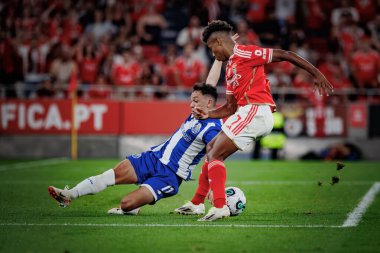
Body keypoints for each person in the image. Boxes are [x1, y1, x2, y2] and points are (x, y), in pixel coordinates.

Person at [175, 20, 333, 221]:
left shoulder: (246, 53)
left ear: (218, 42)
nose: (212, 53)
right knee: (212, 149)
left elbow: (286, 55)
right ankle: (197, 203)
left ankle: (220, 206)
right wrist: (208, 114)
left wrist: (317, 74)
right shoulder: (230, 67)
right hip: (246, 111)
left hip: (256, 110)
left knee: (215, 153)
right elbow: (230, 107)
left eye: (211, 48)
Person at [48, 82, 222, 215]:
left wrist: (214, 188)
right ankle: (69, 194)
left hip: (169, 176)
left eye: (195, 101)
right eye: (191, 100)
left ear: (209, 103)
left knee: (126, 204)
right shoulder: (197, 114)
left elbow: (215, 157)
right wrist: (218, 57)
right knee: (110, 175)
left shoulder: (212, 128)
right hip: (153, 157)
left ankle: (133, 208)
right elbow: (211, 83)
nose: (191, 105)